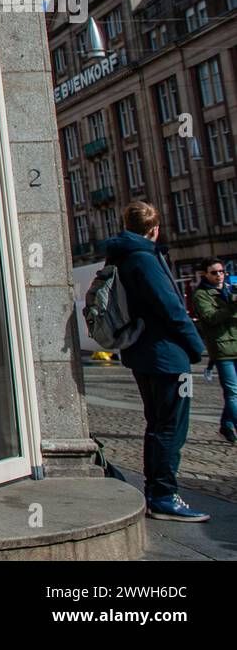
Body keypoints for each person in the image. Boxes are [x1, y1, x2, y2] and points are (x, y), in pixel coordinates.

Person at [103, 201, 210, 521]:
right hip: (166, 355)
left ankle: (157, 491)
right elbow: (171, 308)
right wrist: (195, 347)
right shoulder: (144, 259)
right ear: (155, 229)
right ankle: (163, 494)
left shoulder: (122, 257)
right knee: (171, 427)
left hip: (144, 353)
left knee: (157, 424)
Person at [189, 258, 237, 444]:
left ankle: (226, 425)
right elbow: (211, 317)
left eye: (221, 271)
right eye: (214, 272)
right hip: (222, 348)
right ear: (205, 274)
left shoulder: (230, 290)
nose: (219, 275)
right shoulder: (201, 295)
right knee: (232, 392)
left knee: (233, 393)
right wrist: (233, 306)